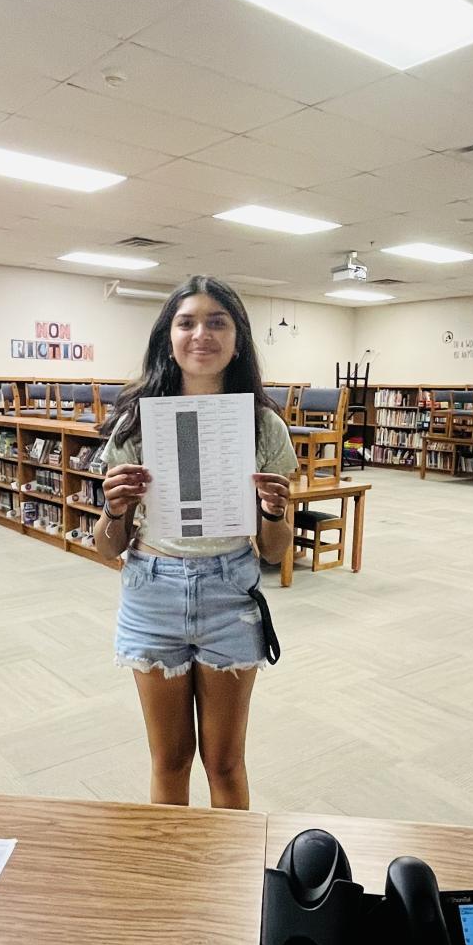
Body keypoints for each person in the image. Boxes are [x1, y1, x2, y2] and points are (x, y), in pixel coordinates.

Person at [94, 274, 298, 810]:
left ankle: (231, 862)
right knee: (169, 760)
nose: (201, 334)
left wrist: (275, 511)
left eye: (217, 322)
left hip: (230, 593)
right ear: (169, 338)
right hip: (152, 591)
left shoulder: (263, 426)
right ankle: (176, 862)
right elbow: (107, 547)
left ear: (238, 339)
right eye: (186, 323)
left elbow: (275, 550)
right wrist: (115, 508)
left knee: (225, 763)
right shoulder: (137, 421)